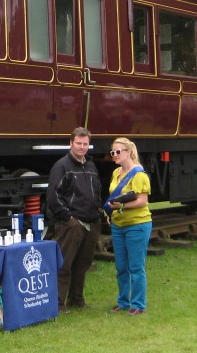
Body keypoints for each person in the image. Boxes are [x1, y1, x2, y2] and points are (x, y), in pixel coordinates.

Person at [46, 128, 104, 311]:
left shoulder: (91, 167)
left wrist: (98, 212)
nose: (82, 147)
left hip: (91, 222)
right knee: (65, 263)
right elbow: (53, 196)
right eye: (78, 143)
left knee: (83, 264)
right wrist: (68, 218)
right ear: (71, 143)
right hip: (71, 224)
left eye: (85, 144)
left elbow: (97, 192)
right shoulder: (61, 166)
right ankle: (58, 302)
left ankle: (77, 299)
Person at [105, 137, 152, 316]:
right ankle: (123, 302)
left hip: (137, 225)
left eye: (118, 152)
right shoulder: (116, 172)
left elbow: (142, 201)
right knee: (121, 266)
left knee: (136, 267)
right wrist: (112, 213)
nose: (114, 155)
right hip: (118, 225)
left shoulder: (139, 175)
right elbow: (112, 197)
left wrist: (122, 206)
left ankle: (138, 304)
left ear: (129, 152)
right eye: (112, 153)